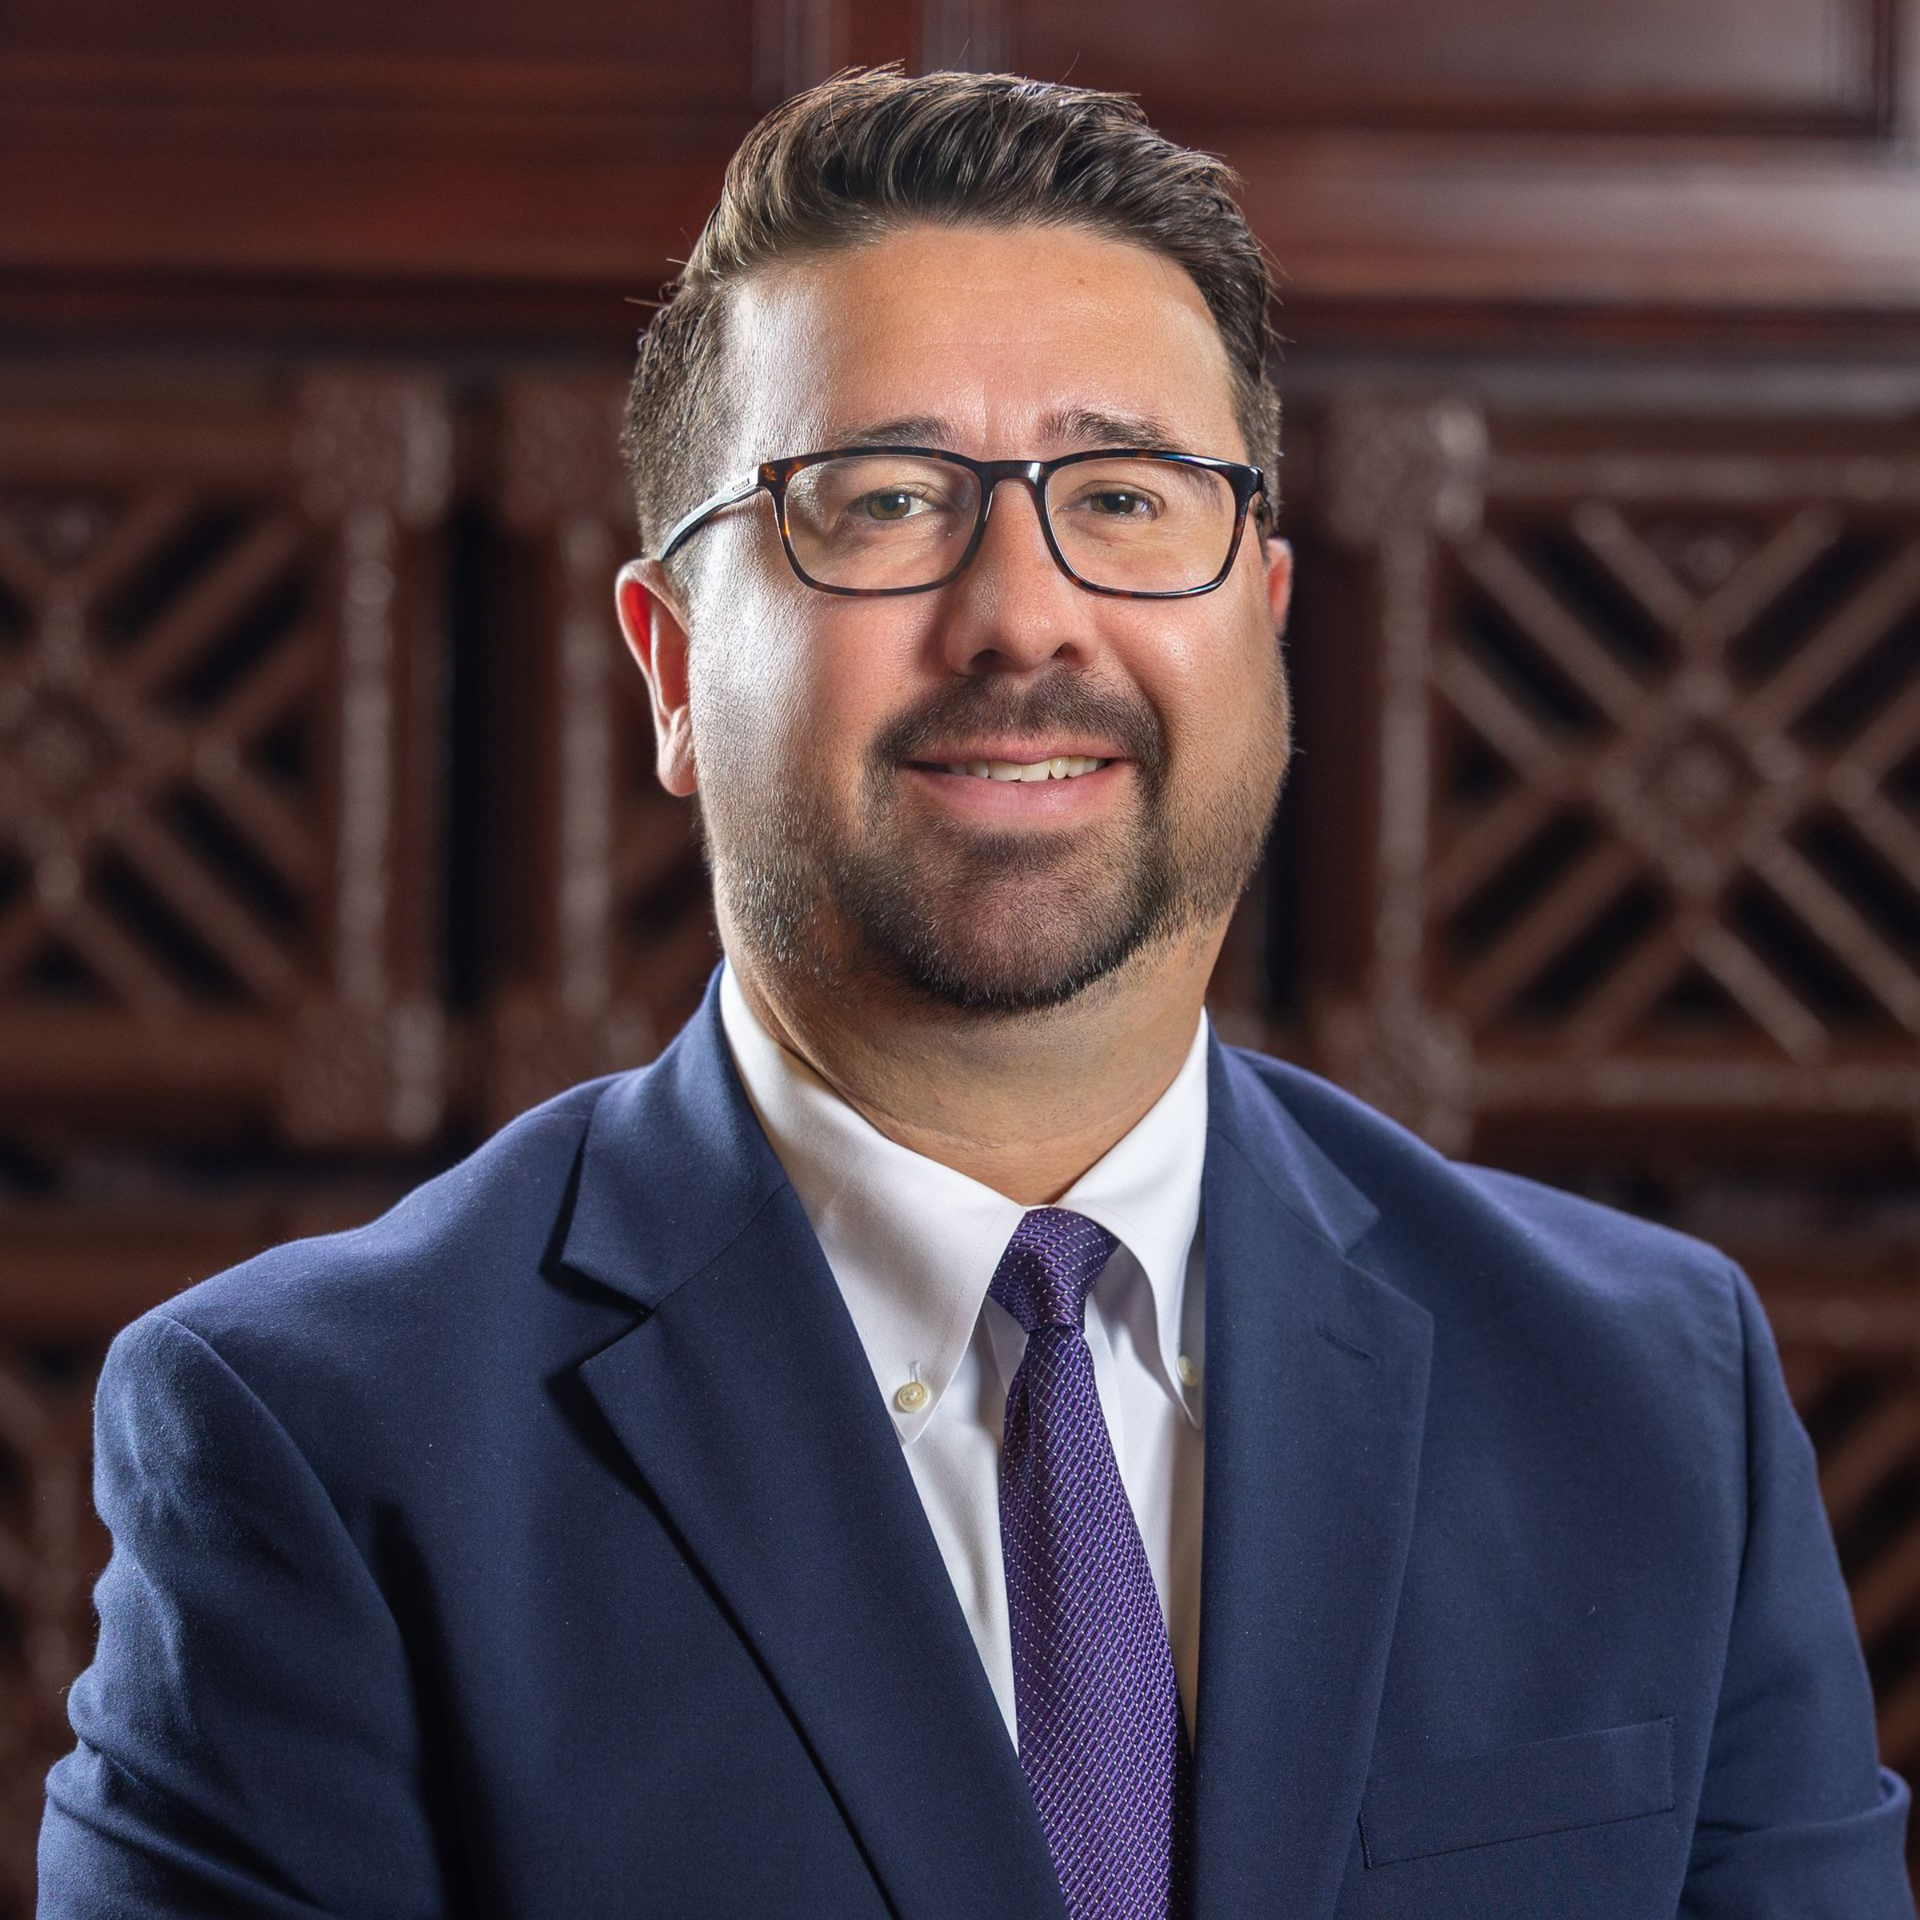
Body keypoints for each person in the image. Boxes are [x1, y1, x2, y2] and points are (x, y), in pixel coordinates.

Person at [36, 65, 1914, 1920]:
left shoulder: (1647, 1399)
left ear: (1264, 619)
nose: (1024, 612)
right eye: (880, 502)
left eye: (1124, 493)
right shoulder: (314, 1443)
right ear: (676, 667)